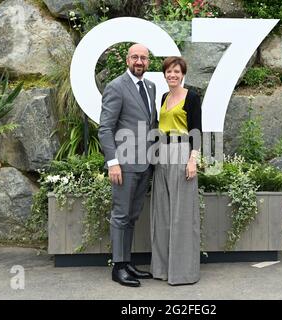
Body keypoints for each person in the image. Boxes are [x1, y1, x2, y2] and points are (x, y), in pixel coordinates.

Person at [98, 43, 157, 287]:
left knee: (132, 216)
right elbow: (105, 129)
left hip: (145, 164)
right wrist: (113, 163)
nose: (139, 62)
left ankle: (127, 262)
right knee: (121, 216)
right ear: (127, 60)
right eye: (135, 57)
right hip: (123, 165)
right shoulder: (116, 87)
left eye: (143, 58)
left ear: (148, 62)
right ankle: (118, 267)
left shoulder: (151, 87)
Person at [150, 56, 202, 285]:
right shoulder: (163, 97)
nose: (172, 75)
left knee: (182, 215)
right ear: (164, 75)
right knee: (162, 213)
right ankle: (162, 269)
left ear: (183, 75)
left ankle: (183, 273)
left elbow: (196, 130)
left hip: (182, 154)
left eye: (176, 72)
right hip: (163, 154)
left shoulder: (191, 97)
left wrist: (193, 160)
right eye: (169, 72)